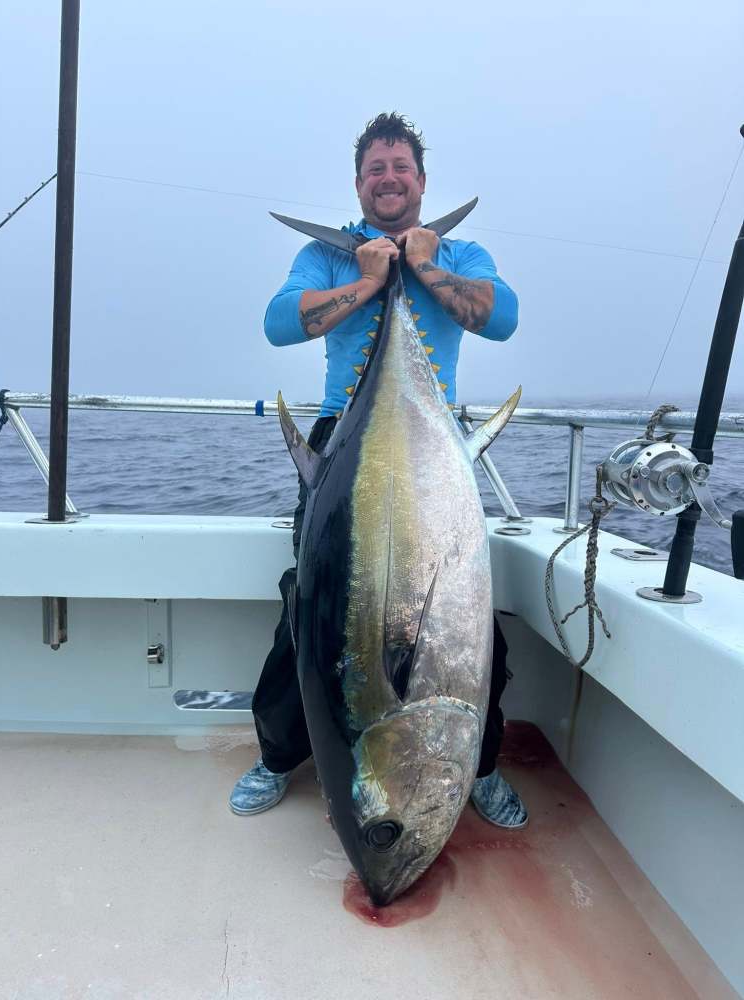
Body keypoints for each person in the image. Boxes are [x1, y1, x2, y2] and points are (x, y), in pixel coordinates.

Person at [230, 112, 527, 830]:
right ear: (358, 183)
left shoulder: (461, 252)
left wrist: (423, 266)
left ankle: (479, 767)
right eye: (374, 170)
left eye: (400, 168)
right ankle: (276, 756)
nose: (388, 179)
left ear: (420, 181)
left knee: (460, 619)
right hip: (345, 447)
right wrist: (369, 278)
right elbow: (277, 323)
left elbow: (503, 317)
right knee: (311, 608)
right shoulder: (330, 258)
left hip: (433, 455)